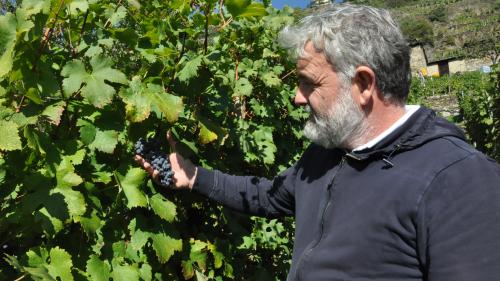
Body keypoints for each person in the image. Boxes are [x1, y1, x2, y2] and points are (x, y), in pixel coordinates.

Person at [136, 4, 500, 281]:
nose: (296, 97)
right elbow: (269, 195)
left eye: (310, 82)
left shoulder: (459, 181)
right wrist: (194, 176)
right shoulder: (328, 153)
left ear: (363, 85)